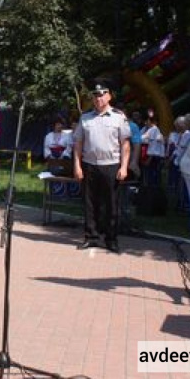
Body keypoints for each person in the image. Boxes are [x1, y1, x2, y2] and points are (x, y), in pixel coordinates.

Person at [73, 81, 130, 253]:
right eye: (95, 95)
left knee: (112, 204)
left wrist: (124, 167)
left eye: (102, 94)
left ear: (109, 96)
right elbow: (78, 144)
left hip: (111, 166)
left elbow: (125, 144)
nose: (98, 98)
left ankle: (111, 239)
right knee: (90, 203)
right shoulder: (85, 118)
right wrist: (77, 166)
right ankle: (91, 237)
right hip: (90, 165)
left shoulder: (119, 117)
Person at [141, 115, 165, 186]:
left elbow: (153, 146)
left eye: (148, 121)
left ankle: (154, 193)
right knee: (152, 176)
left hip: (153, 157)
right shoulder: (148, 129)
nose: (146, 123)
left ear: (153, 122)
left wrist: (149, 159)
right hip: (152, 156)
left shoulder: (154, 130)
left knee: (153, 177)